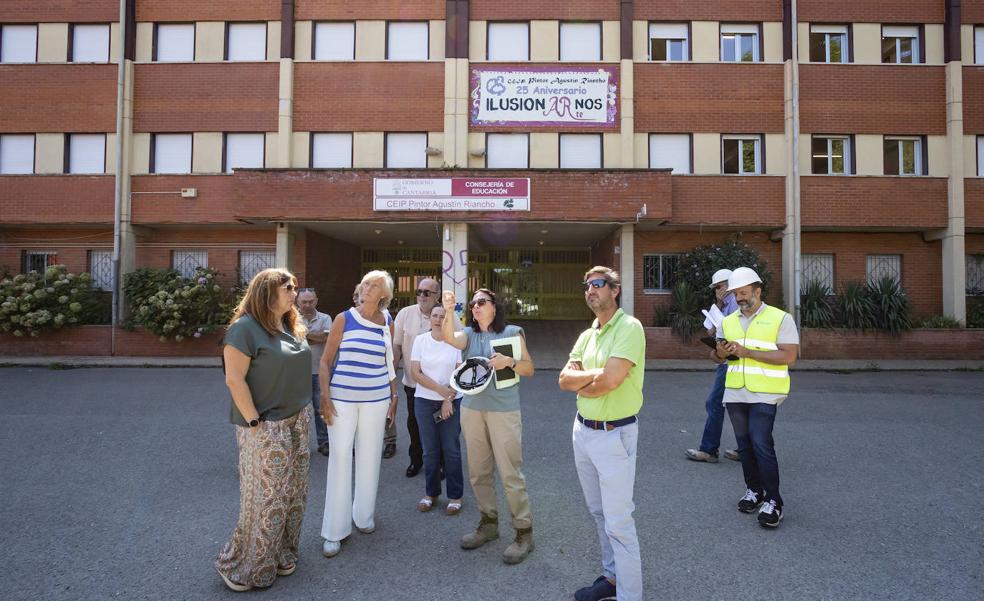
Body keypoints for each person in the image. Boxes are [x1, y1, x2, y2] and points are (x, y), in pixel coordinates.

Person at [215, 268, 312, 592]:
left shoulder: (290, 324)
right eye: (288, 288)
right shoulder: (244, 329)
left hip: (297, 419)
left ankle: (281, 552)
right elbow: (234, 380)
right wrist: (255, 422)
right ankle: (244, 566)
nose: (294, 293)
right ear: (266, 292)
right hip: (266, 425)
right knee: (266, 498)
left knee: (294, 495)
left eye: (295, 287)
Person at [559, 267, 646, 601]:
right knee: (599, 514)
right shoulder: (587, 335)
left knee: (619, 522)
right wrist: (598, 375)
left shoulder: (629, 327)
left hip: (614, 434)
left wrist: (586, 381)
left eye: (597, 284)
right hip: (583, 431)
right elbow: (564, 380)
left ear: (615, 290)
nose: (590, 290)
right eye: (586, 285)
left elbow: (610, 382)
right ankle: (611, 578)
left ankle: (629, 595)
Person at [441, 288, 536, 565]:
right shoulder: (469, 335)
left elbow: (529, 368)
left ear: (495, 307)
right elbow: (448, 337)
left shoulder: (512, 332)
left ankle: (524, 532)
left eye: (482, 302)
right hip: (472, 409)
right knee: (478, 472)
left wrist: (510, 362)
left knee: (510, 473)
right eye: (473, 303)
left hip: (504, 410)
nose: (476, 306)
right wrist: (449, 310)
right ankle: (489, 524)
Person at [319, 271, 399, 557]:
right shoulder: (344, 318)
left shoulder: (387, 321)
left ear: (384, 295)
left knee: (370, 456)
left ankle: (363, 516)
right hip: (341, 399)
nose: (367, 287)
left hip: (377, 400)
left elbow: (390, 362)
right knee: (340, 457)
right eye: (365, 283)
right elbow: (325, 362)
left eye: (375, 285)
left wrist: (394, 396)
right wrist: (325, 396)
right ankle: (334, 531)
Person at [711, 266, 799, 529]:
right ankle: (754, 491)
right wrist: (720, 353)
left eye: (743, 292)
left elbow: (789, 356)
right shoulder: (727, 321)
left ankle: (774, 501)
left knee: (761, 443)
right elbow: (715, 357)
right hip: (735, 391)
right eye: (736, 294)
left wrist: (748, 352)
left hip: (766, 392)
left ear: (757, 291)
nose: (739, 298)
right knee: (745, 446)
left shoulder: (781, 318)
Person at [392, 277, 462, 477]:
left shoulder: (450, 317)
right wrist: (392, 378)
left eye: (427, 292)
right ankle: (416, 460)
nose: (421, 296)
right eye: (419, 292)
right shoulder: (405, 314)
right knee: (414, 425)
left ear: (436, 296)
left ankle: (441, 463)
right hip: (414, 384)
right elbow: (396, 347)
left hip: (443, 387)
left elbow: (459, 346)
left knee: (442, 425)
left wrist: (452, 388)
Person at [409, 304, 464, 515]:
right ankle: (431, 493)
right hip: (424, 401)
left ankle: (455, 495)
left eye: (443, 317)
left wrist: (448, 398)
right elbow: (416, 372)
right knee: (430, 451)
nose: (438, 320)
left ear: (448, 320)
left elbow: (459, 373)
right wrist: (440, 391)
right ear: (429, 318)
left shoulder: (455, 341)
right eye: (435, 315)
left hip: (452, 401)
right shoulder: (421, 340)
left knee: (451, 449)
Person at [686, 269, 741, 463]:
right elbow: (709, 330)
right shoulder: (723, 304)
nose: (718, 291)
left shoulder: (736, 302)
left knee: (716, 403)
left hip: (732, 361)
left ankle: (709, 450)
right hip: (727, 359)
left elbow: (731, 329)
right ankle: (745, 449)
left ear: (729, 285)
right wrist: (718, 304)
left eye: (719, 287)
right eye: (716, 288)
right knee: (735, 405)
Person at [297, 287, 332, 456]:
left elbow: (327, 338)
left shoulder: (326, 318)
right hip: (298, 374)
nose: (307, 305)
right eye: (304, 302)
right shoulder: (291, 318)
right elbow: (291, 340)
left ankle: (324, 442)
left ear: (316, 301)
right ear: (297, 301)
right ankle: (300, 445)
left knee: (321, 409)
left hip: (320, 372)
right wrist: (316, 336)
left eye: (311, 301)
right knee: (299, 412)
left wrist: (303, 335)